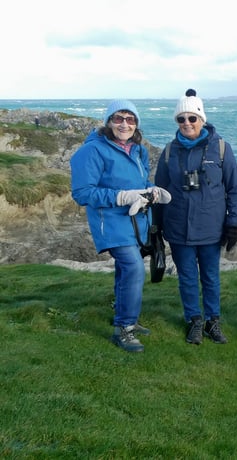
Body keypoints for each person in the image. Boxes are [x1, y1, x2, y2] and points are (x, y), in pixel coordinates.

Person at [70, 100, 171, 352]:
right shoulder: (91, 151)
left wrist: (150, 191)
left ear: (136, 124)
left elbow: (140, 179)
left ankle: (125, 315)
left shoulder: (138, 150)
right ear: (108, 121)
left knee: (125, 270)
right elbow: (82, 193)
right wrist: (121, 196)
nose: (124, 124)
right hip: (111, 222)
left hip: (136, 221)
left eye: (130, 119)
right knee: (134, 268)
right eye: (118, 118)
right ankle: (124, 328)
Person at [154, 89, 237, 345]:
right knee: (187, 278)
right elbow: (160, 190)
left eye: (192, 118)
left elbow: (235, 188)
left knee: (211, 277)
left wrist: (233, 223)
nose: (187, 124)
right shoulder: (170, 152)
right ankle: (194, 320)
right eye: (181, 119)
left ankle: (213, 321)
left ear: (202, 119)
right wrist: (156, 226)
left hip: (211, 228)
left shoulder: (222, 149)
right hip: (178, 227)